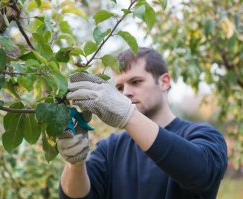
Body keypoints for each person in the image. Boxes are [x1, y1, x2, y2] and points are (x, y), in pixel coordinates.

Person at [56, 47, 228, 199]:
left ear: (164, 81)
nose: (127, 93)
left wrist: (128, 116)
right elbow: (77, 196)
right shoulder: (110, 149)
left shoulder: (203, 135)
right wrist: (75, 164)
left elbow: (201, 174)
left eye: (136, 81)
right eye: (119, 88)